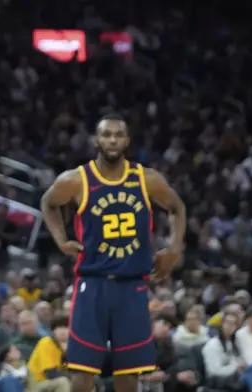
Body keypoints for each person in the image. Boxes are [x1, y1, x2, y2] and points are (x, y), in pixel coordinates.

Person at [40, 114, 186, 392]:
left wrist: (175, 249)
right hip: (92, 285)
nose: (112, 140)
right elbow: (48, 202)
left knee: (129, 374)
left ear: (127, 140)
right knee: (82, 373)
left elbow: (177, 207)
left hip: (132, 285)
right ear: (96, 140)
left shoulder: (146, 178)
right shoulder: (77, 180)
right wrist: (61, 240)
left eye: (118, 135)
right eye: (106, 135)